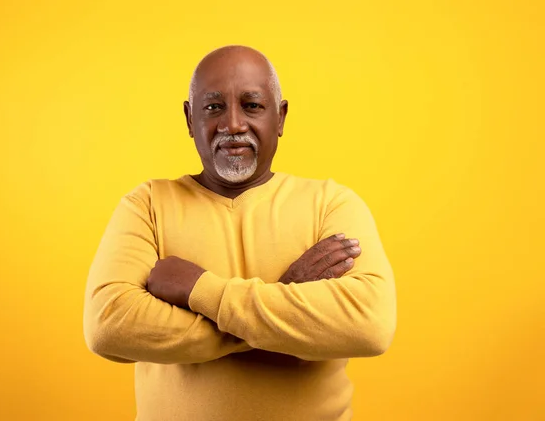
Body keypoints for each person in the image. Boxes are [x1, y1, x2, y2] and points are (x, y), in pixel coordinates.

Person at [83, 45, 397, 421]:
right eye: (214, 107)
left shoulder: (331, 203)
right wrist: (283, 300)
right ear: (189, 119)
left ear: (279, 117)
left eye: (252, 105)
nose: (233, 124)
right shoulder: (147, 205)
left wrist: (200, 290)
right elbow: (108, 326)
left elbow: (369, 325)